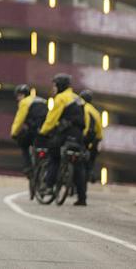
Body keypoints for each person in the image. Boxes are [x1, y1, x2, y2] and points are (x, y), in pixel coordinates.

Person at [38, 73, 87, 206]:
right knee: (78, 165)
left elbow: (52, 118)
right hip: (78, 135)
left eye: (54, 85)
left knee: (54, 157)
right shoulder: (78, 99)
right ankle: (82, 198)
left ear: (60, 85)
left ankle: (49, 185)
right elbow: (85, 119)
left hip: (65, 133)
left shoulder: (61, 98)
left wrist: (43, 132)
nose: (53, 88)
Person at [10, 83, 46, 176]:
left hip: (34, 130)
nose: (17, 99)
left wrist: (14, 133)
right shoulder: (43, 100)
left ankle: (28, 167)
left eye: (18, 96)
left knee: (24, 144)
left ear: (21, 95)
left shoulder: (25, 102)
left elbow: (19, 119)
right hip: (46, 131)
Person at [79, 89, 103, 184]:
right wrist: (98, 139)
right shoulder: (95, 111)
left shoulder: (82, 108)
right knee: (91, 160)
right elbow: (99, 130)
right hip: (94, 139)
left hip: (84, 138)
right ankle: (90, 173)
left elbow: (85, 125)